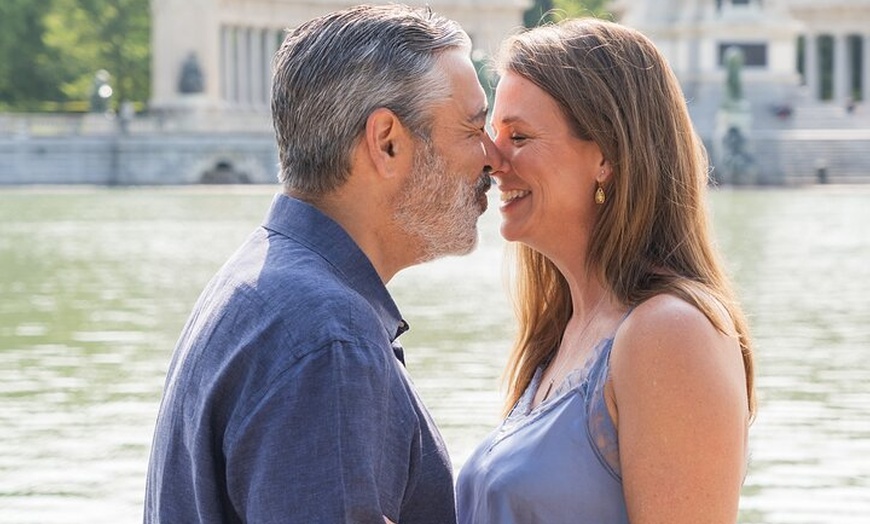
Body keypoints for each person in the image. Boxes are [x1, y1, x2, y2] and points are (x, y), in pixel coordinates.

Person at [144, 4, 502, 523]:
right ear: (388, 143)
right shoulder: (328, 338)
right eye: (473, 129)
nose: (491, 155)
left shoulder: (262, 289)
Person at [457, 18, 756, 523]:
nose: (493, 159)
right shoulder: (564, 333)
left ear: (607, 157)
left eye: (519, 136)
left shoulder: (670, 333)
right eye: (493, 133)